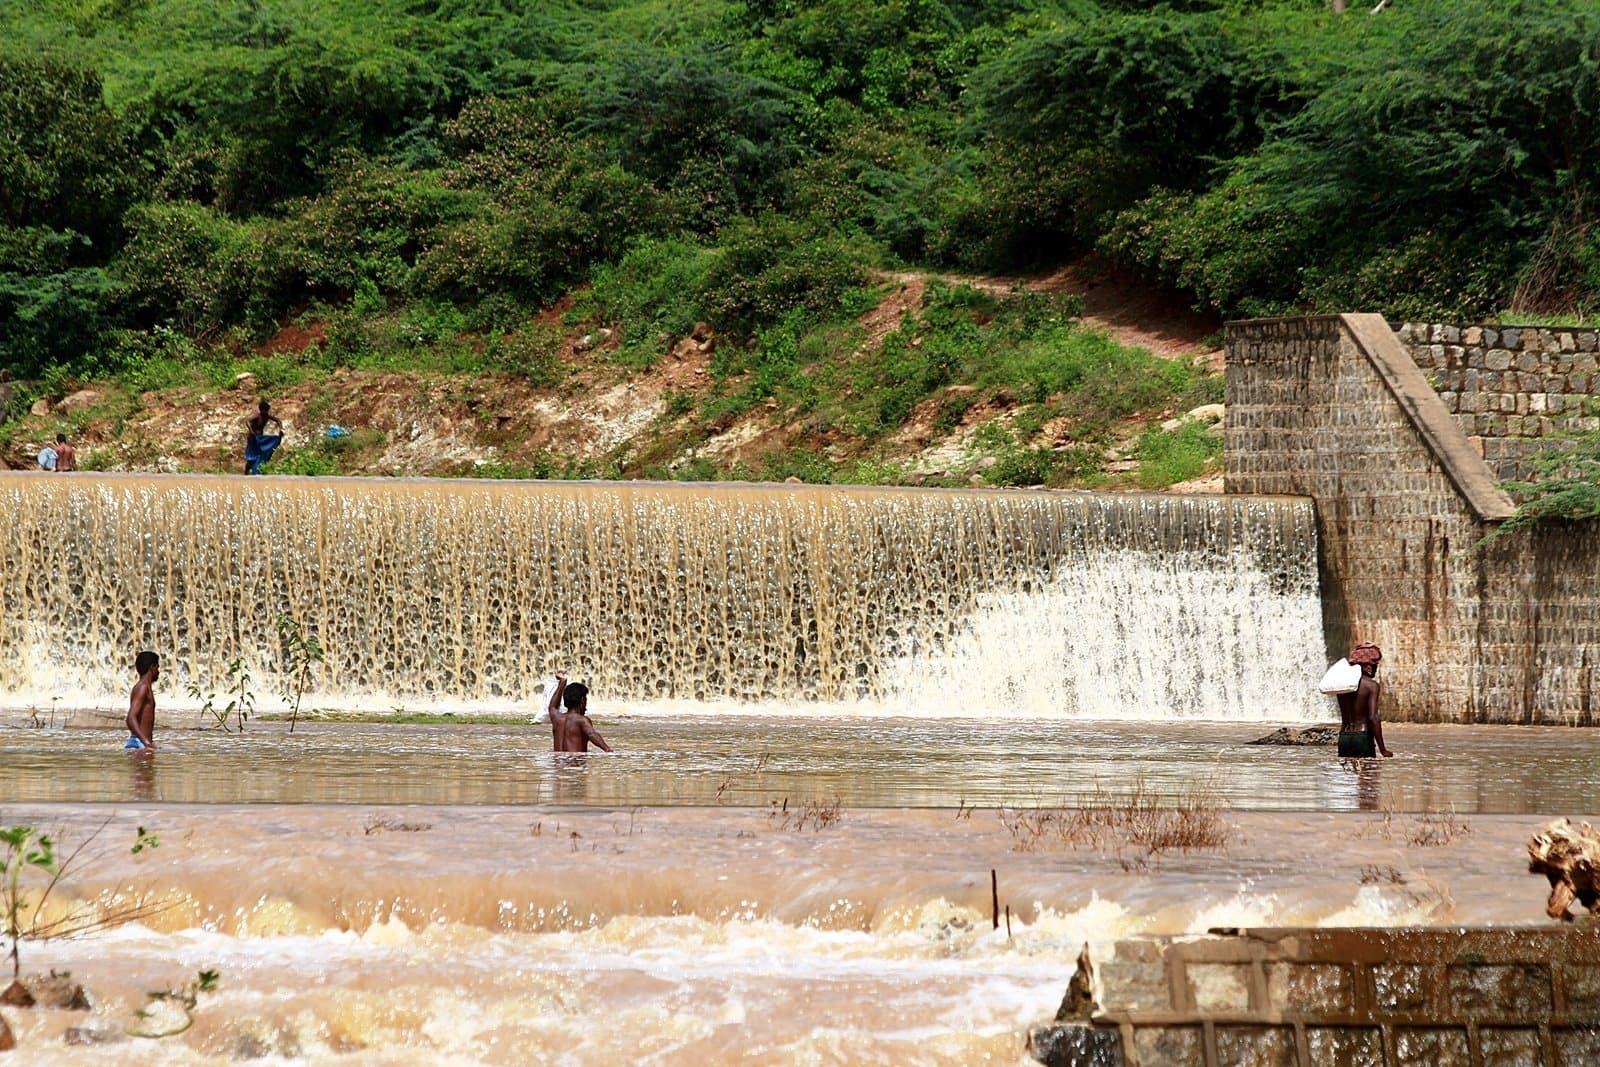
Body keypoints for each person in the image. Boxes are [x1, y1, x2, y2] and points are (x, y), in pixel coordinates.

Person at [1336, 642, 1392, 759]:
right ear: (1368, 666)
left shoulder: (1341, 685)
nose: (1376, 669)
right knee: (1368, 774)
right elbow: (1373, 718)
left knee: (1347, 775)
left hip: (1344, 737)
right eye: (1375, 666)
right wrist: (1383, 749)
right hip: (1362, 737)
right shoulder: (1371, 686)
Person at [545, 671, 613, 753]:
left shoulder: (557, 718)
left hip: (557, 764)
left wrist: (562, 683)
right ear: (582, 700)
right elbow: (592, 734)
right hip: (575, 763)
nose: (586, 708)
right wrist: (607, 749)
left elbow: (552, 706)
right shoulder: (582, 720)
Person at [126, 651, 160, 751]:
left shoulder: (142, 687)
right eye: (157, 667)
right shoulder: (143, 688)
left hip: (140, 743)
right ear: (152, 667)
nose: (158, 671)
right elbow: (130, 718)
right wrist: (146, 742)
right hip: (139, 744)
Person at [244, 400, 284, 475]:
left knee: (260, 454)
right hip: (253, 438)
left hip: (260, 438)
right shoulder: (257, 416)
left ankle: (257, 471)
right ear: (261, 410)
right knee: (252, 456)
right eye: (264, 410)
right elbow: (247, 422)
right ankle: (246, 472)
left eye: (267, 411)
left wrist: (281, 429)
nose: (266, 412)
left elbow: (278, 420)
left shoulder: (267, 416)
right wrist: (251, 431)